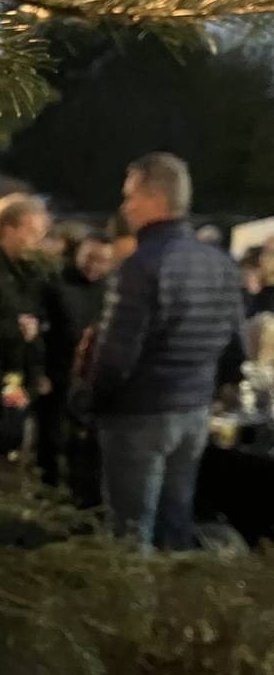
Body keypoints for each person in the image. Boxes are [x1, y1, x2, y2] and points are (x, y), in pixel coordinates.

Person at [92, 153, 243, 551]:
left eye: (131, 196)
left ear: (155, 198)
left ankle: (131, 610)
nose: (125, 206)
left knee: (128, 532)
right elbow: (234, 345)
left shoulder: (141, 266)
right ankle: (174, 603)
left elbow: (116, 355)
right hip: (193, 411)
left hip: (140, 414)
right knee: (174, 520)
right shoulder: (221, 265)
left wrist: (90, 401)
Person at [0, 194, 51, 456]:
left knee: (7, 436)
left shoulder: (29, 273)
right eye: (31, 231)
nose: (36, 240)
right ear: (9, 228)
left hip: (14, 372)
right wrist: (15, 329)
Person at [41, 235, 114, 499]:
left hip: (90, 379)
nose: (94, 266)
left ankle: (78, 496)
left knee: (83, 444)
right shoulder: (56, 283)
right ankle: (47, 491)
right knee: (51, 438)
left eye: (102, 260)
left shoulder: (110, 290)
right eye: (89, 258)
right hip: (57, 373)